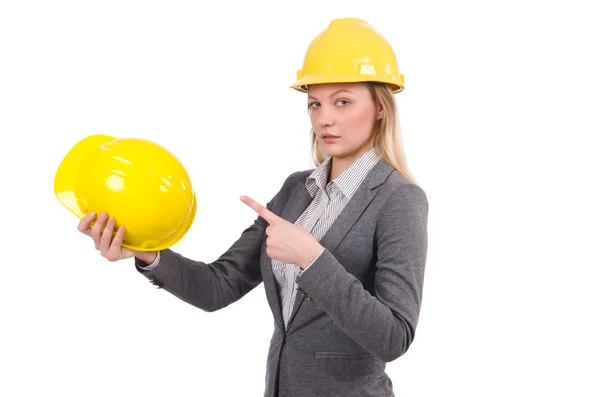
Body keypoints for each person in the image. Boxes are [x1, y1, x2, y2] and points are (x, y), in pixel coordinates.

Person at [77, 17, 429, 397]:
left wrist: (312, 258)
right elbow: (218, 287)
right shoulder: (297, 189)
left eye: (342, 101)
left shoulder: (399, 198)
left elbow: (394, 336)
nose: (323, 118)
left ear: (380, 107)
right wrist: (147, 252)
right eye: (314, 103)